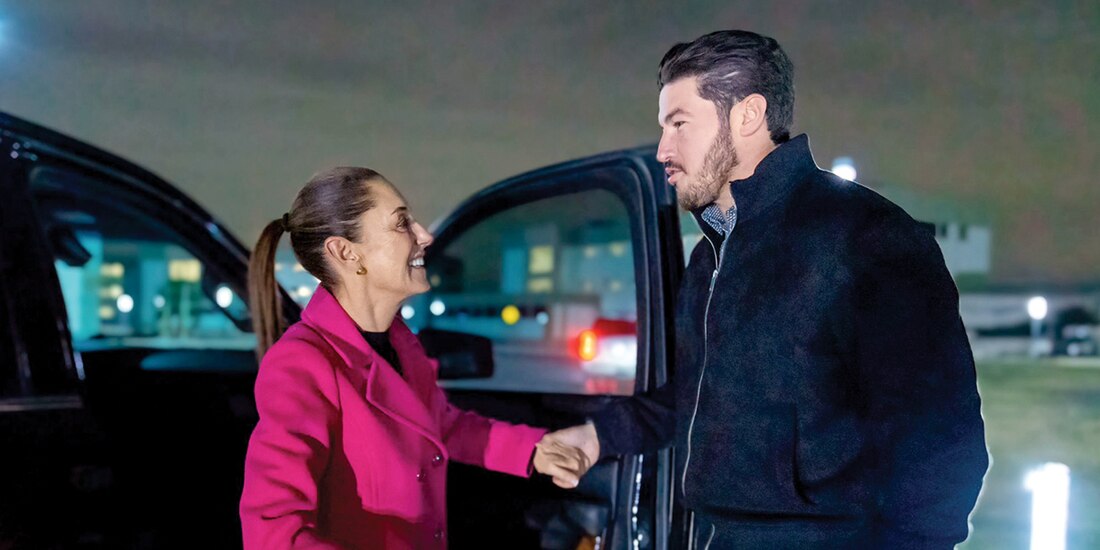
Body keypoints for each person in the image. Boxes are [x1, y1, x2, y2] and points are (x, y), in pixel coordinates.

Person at [540, 30, 989, 548]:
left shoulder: (865, 238)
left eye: (679, 124)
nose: (664, 149)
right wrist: (597, 437)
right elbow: (697, 395)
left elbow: (940, 438)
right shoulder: (711, 255)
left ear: (747, 115)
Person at [239, 167, 587, 549]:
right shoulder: (302, 364)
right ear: (346, 252)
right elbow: (273, 534)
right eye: (402, 222)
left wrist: (535, 451)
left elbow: (441, 427)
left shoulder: (401, 344)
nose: (425, 235)